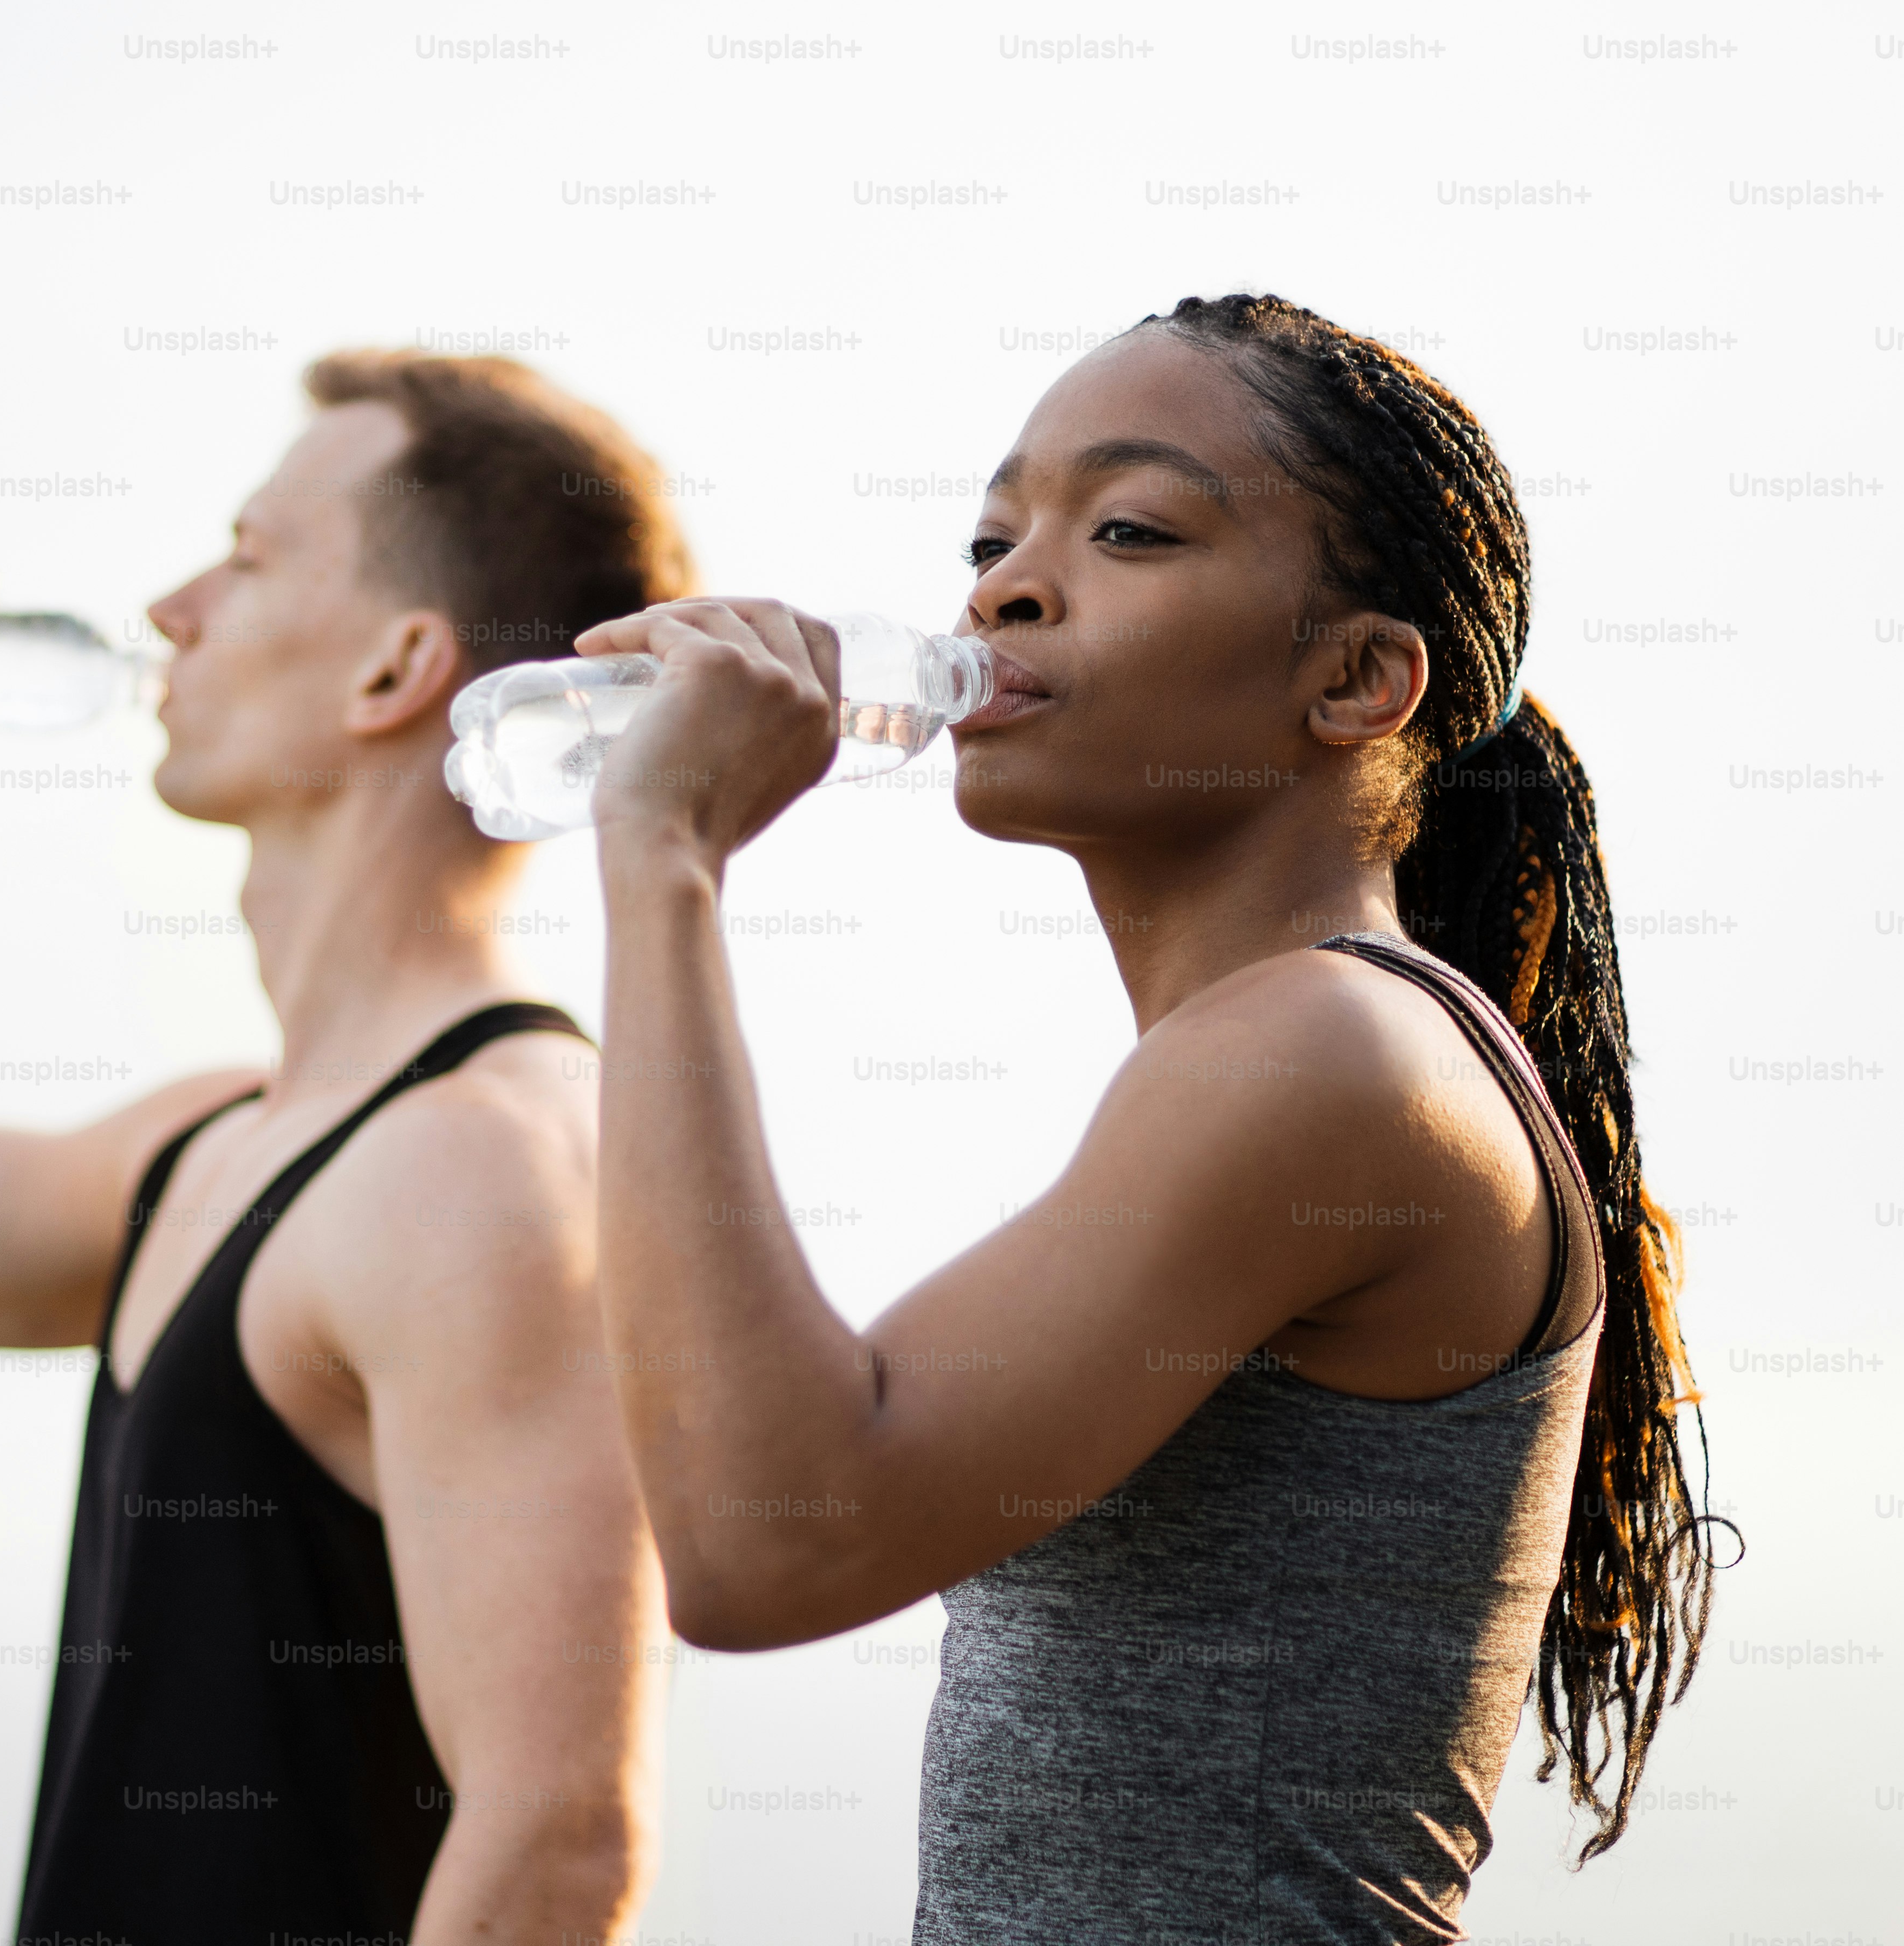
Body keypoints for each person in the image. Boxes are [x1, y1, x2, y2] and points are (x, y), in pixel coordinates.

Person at [570, 294, 1724, 1939]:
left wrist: (666, 864)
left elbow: (766, 1541)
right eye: (991, 536)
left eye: (1128, 528)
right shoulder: (1283, 1055)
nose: (1003, 587)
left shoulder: (1329, 1057)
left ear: (1356, 680)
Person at [0, 352, 693, 1942]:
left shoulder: (476, 1168)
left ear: (395, 669)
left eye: (251, 556)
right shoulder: (221, 1143)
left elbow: (558, 1839)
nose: (168, 608)